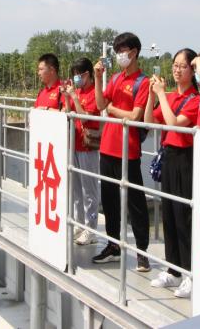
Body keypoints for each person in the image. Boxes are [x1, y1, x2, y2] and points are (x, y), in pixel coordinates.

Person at [91, 32, 151, 272]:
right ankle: (113, 246)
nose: (119, 56)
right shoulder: (115, 78)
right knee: (110, 201)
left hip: (129, 150)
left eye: (122, 51)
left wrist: (114, 110)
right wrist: (98, 79)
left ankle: (142, 253)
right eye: (117, 52)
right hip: (107, 147)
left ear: (134, 52)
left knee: (135, 203)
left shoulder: (142, 82)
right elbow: (100, 105)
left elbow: (135, 116)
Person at [144, 48, 200, 298]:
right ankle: (173, 269)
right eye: (175, 65)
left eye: (183, 66)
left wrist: (161, 96)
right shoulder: (169, 97)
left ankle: (189, 273)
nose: (177, 70)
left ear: (193, 70)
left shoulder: (195, 100)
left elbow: (174, 123)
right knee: (168, 214)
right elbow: (149, 121)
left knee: (183, 216)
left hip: (185, 159)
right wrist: (151, 97)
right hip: (168, 157)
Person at [60, 58, 100, 245]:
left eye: (78, 74)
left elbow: (84, 118)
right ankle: (80, 223)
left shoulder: (93, 93)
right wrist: (68, 98)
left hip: (87, 146)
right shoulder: (77, 91)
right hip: (73, 144)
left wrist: (74, 98)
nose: (76, 78)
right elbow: (70, 114)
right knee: (76, 189)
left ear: (87, 74)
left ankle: (91, 229)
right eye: (74, 74)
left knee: (89, 190)